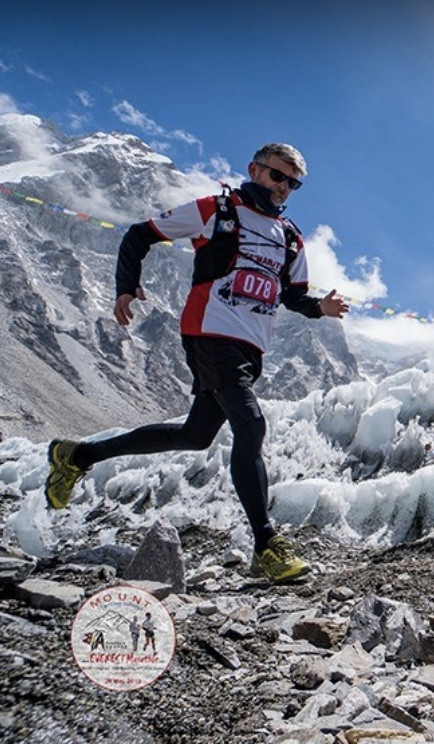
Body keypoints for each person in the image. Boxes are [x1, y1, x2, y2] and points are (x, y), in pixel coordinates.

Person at [43, 143, 349, 583]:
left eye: (292, 183)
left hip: (250, 347)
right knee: (250, 424)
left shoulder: (290, 237)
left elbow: (293, 296)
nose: (283, 188)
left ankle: (77, 455)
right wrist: (126, 287)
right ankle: (267, 545)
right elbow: (139, 234)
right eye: (277, 177)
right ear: (255, 170)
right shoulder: (216, 211)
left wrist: (322, 307)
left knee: (195, 436)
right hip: (209, 332)